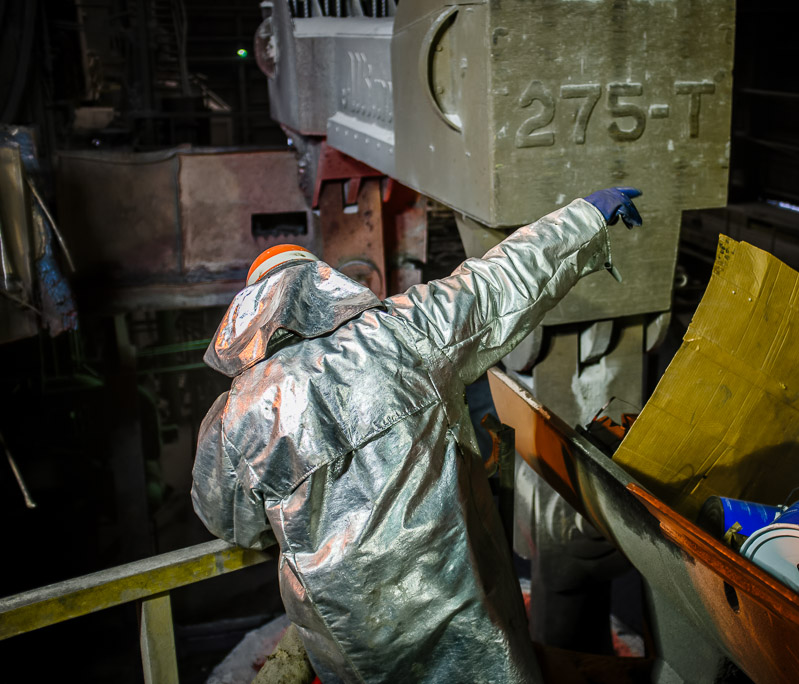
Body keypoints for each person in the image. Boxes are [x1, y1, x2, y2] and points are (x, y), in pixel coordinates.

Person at [191, 188, 643, 683]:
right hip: (460, 596)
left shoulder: (235, 419)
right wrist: (585, 217)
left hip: (354, 643)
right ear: (320, 286)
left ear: (251, 315)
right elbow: (500, 282)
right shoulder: (402, 332)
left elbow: (231, 522)